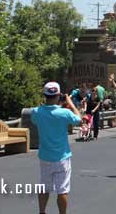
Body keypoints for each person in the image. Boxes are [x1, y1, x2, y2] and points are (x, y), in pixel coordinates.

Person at [31, 82, 81, 214]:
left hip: (45, 156)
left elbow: (35, 117)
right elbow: (78, 119)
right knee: (62, 190)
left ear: (45, 95)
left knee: (44, 187)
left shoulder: (37, 112)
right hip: (62, 157)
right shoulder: (64, 113)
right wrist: (70, 103)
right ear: (59, 95)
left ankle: (42, 211)